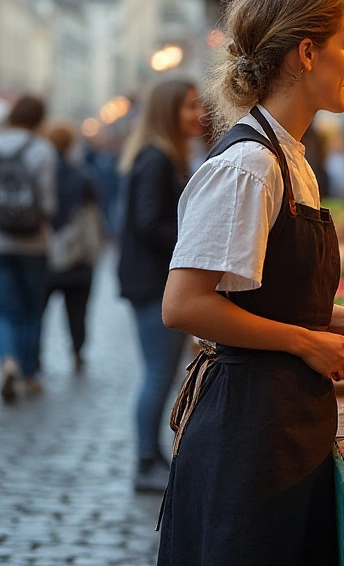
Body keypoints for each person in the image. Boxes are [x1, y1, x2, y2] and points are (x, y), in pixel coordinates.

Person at [158, 0, 344, 564]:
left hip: (283, 420)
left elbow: (264, 292)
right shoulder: (250, 164)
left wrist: (342, 319)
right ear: (306, 52)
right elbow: (184, 304)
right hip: (249, 430)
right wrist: (304, 342)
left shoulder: (291, 158)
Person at [116, 79, 205, 492]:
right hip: (152, 282)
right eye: (189, 107)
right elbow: (149, 223)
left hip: (151, 280)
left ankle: (151, 457)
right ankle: (145, 460)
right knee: (157, 374)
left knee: (160, 373)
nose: (198, 115)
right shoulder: (156, 159)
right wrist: (196, 244)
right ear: (168, 111)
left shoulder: (162, 156)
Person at [0, 95, 57, 401]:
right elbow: (47, 203)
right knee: (32, 309)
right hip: (33, 243)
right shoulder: (42, 149)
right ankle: (29, 375)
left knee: (4, 308)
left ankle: (8, 360)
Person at [42, 122, 103, 372]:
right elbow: (95, 214)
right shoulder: (84, 174)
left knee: (37, 310)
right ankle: (77, 351)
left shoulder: (41, 172)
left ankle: (31, 359)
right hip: (78, 255)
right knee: (78, 310)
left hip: (45, 253)